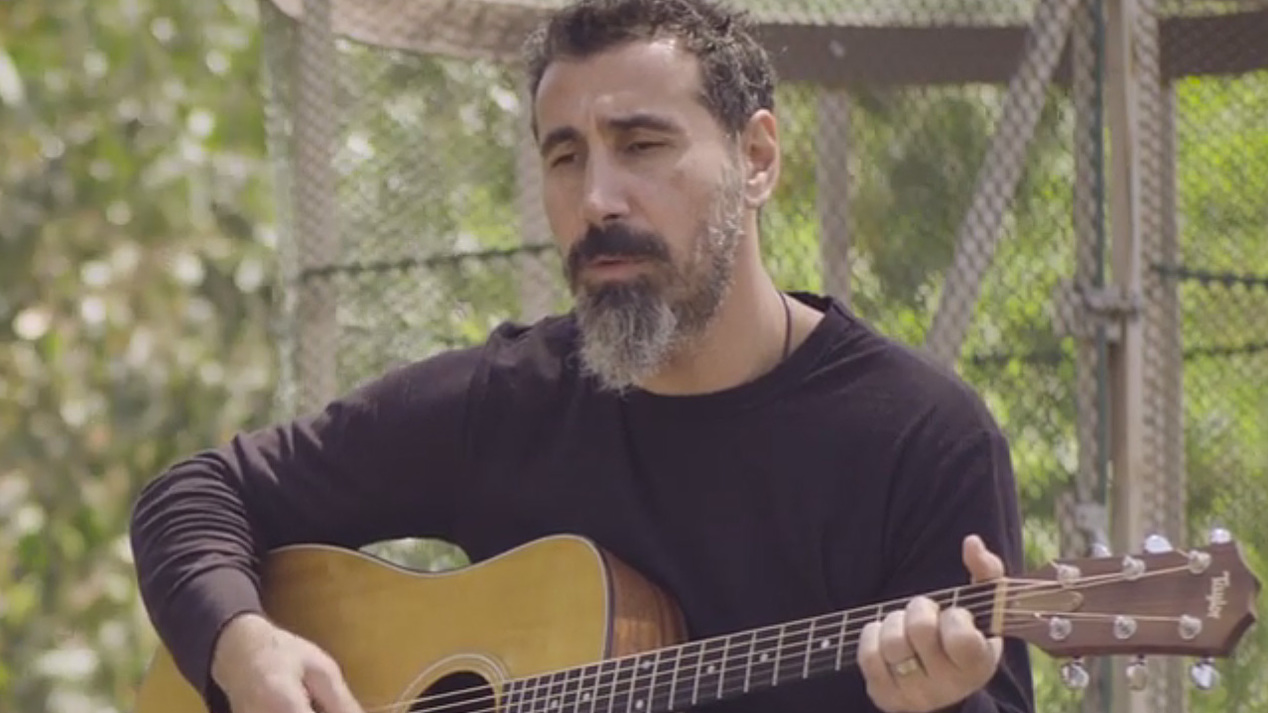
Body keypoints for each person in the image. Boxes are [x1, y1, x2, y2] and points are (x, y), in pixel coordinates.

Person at [129, 1, 1035, 712]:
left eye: (642, 145)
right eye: (566, 157)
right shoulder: (508, 401)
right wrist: (245, 648)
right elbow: (197, 493)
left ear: (757, 159)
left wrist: (936, 706)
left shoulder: (924, 439)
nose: (598, 195)